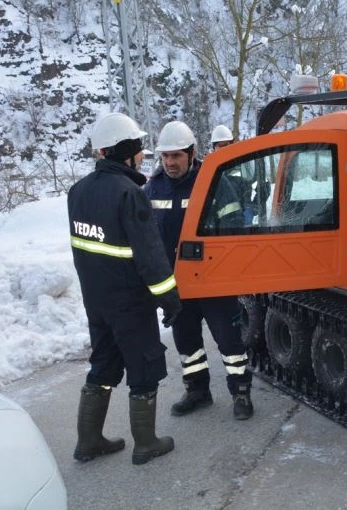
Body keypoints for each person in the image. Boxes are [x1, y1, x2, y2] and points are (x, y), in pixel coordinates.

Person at [68, 112, 181, 465]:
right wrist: (169, 297)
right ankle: (146, 444)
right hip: (130, 302)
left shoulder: (78, 191)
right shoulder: (130, 193)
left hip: (97, 301)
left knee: (102, 364)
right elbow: (150, 255)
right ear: (126, 151)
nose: (143, 155)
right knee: (144, 367)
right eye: (139, 148)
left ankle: (88, 442)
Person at [144, 120, 254, 420]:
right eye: (165, 156)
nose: (170, 162)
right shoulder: (152, 187)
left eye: (176, 155)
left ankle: (241, 392)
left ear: (191, 154)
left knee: (229, 341)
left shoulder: (214, 181)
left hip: (213, 280)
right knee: (187, 341)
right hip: (177, 284)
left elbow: (233, 228)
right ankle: (197, 390)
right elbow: (145, 236)